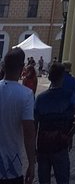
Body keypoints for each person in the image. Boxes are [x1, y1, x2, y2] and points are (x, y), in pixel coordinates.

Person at [32, 65, 75, 184]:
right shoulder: (69, 95)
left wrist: (33, 148)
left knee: (43, 179)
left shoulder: (40, 98)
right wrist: (70, 134)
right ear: (62, 77)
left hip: (43, 145)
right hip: (60, 143)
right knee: (62, 179)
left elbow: (34, 126)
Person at [0, 48, 35, 184]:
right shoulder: (26, 95)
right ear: (22, 68)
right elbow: (29, 132)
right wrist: (31, 163)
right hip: (11, 166)